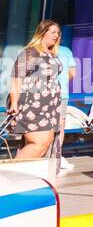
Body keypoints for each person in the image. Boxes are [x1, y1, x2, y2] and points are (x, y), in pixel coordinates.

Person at [7, 19, 65, 161]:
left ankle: (23, 179)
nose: (56, 35)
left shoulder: (52, 54)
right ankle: (9, 175)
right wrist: (14, 102)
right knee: (41, 142)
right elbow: (16, 77)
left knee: (39, 143)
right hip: (31, 105)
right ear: (42, 33)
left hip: (49, 107)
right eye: (52, 32)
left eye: (58, 33)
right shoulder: (31, 52)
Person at [55, 35, 76, 172]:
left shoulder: (65, 51)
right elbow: (72, 73)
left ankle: (56, 156)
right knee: (59, 126)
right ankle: (56, 157)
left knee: (58, 125)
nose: (56, 36)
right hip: (59, 94)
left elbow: (72, 73)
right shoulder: (65, 51)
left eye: (58, 33)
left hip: (60, 94)